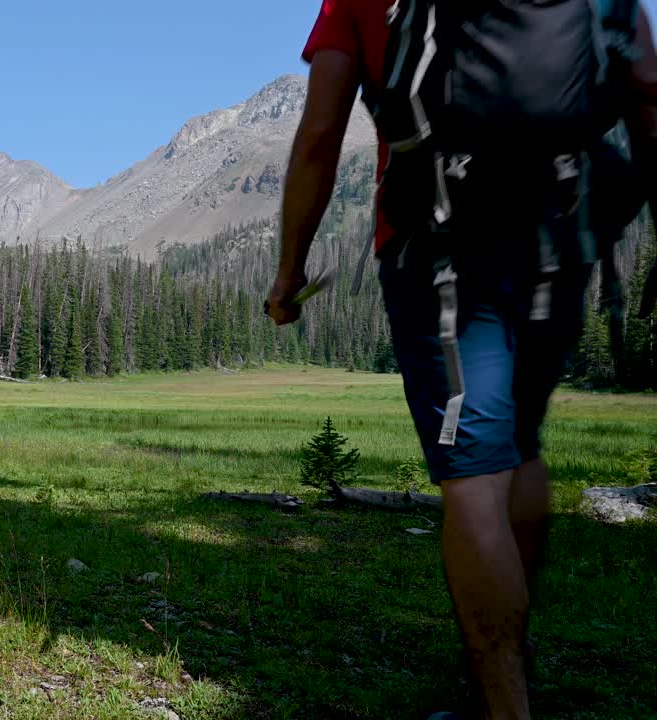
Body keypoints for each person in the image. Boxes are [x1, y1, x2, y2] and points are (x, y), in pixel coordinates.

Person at [264, 2, 657, 719]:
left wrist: (289, 273)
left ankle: (500, 701)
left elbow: (321, 132)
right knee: (519, 449)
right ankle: (512, 659)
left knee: (474, 481)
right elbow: (647, 89)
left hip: (440, 248)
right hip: (559, 240)